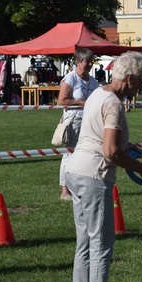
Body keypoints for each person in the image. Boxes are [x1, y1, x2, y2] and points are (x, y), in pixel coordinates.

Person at [65, 51, 142, 282]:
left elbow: (101, 136)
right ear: (129, 78)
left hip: (75, 170)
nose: (141, 88)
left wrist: (128, 147)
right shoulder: (114, 104)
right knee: (102, 240)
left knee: (84, 238)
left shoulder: (97, 93)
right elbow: (111, 152)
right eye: (140, 82)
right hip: (95, 174)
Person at [57, 48, 100, 201]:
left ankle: (82, 186)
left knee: (87, 154)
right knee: (70, 153)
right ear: (78, 62)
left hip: (89, 121)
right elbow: (61, 101)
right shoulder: (70, 79)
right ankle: (64, 190)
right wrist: (81, 102)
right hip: (73, 120)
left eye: (91, 61)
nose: (89, 64)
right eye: (86, 61)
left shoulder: (93, 81)